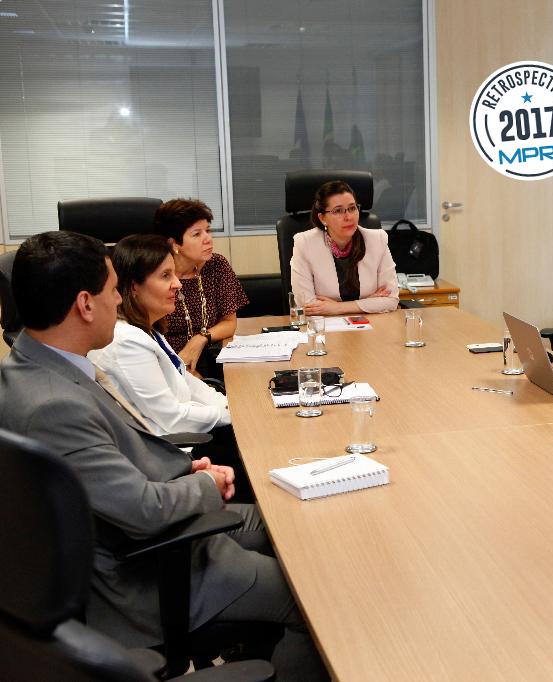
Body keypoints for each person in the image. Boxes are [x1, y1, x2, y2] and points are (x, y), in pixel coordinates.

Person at [0, 231, 326, 680]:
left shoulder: (30, 367)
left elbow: (105, 467)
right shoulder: (54, 406)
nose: (120, 300)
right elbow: (143, 511)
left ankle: (252, 646)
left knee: (292, 524)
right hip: (144, 575)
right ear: (85, 304)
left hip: (154, 531)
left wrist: (184, 469)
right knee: (316, 596)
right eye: (113, 290)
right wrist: (204, 483)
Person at [90, 234, 230, 436]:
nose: (178, 284)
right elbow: (173, 419)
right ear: (134, 286)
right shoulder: (126, 341)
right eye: (165, 276)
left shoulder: (147, 329)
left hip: (189, 430)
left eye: (174, 274)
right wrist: (230, 415)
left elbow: (186, 381)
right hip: (173, 445)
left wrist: (229, 405)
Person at [154, 198, 248, 377]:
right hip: (167, 367)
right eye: (197, 234)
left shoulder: (217, 265)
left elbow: (230, 323)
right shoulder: (155, 275)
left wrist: (200, 339)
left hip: (212, 362)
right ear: (174, 244)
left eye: (208, 230)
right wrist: (182, 372)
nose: (208, 239)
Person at [290, 180, 399, 315]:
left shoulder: (377, 240)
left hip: (371, 324)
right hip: (325, 325)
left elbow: (391, 300)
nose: (348, 217)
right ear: (323, 218)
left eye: (352, 208)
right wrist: (368, 303)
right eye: (338, 211)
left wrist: (338, 307)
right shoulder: (305, 243)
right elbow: (307, 305)